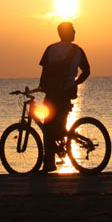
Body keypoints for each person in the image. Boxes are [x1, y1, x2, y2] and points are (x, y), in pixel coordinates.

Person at [35, 21, 90, 173]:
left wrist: (42, 86)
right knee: (60, 127)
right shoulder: (78, 50)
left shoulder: (50, 49)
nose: (75, 32)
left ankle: (49, 164)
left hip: (52, 94)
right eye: (73, 30)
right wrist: (76, 83)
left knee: (48, 128)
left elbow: (44, 73)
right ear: (66, 33)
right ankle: (60, 151)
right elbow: (87, 71)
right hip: (66, 94)